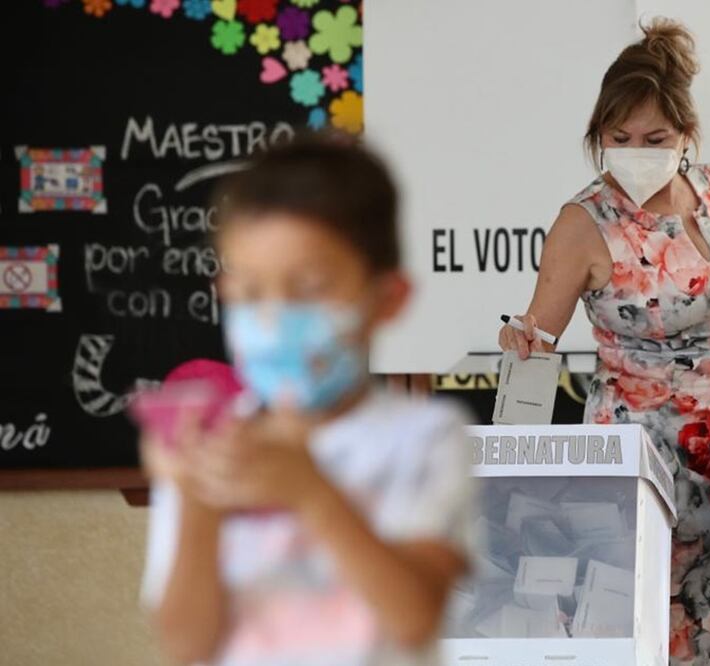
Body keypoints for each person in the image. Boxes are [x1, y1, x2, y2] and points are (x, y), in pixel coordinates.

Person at [498, 18, 710, 665]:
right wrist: (520, 346)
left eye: (654, 138)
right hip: (641, 468)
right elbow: (535, 341)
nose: (635, 150)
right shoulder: (582, 221)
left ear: (686, 136)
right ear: (598, 137)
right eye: (618, 137)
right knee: (640, 625)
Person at [139, 134, 475, 666]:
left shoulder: (425, 439)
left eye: (310, 288)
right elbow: (184, 645)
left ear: (387, 300)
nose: (273, 318)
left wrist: (311, 493)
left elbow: (414, 618)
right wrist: (195, 501)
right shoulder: (211, 445)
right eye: (249, 294)